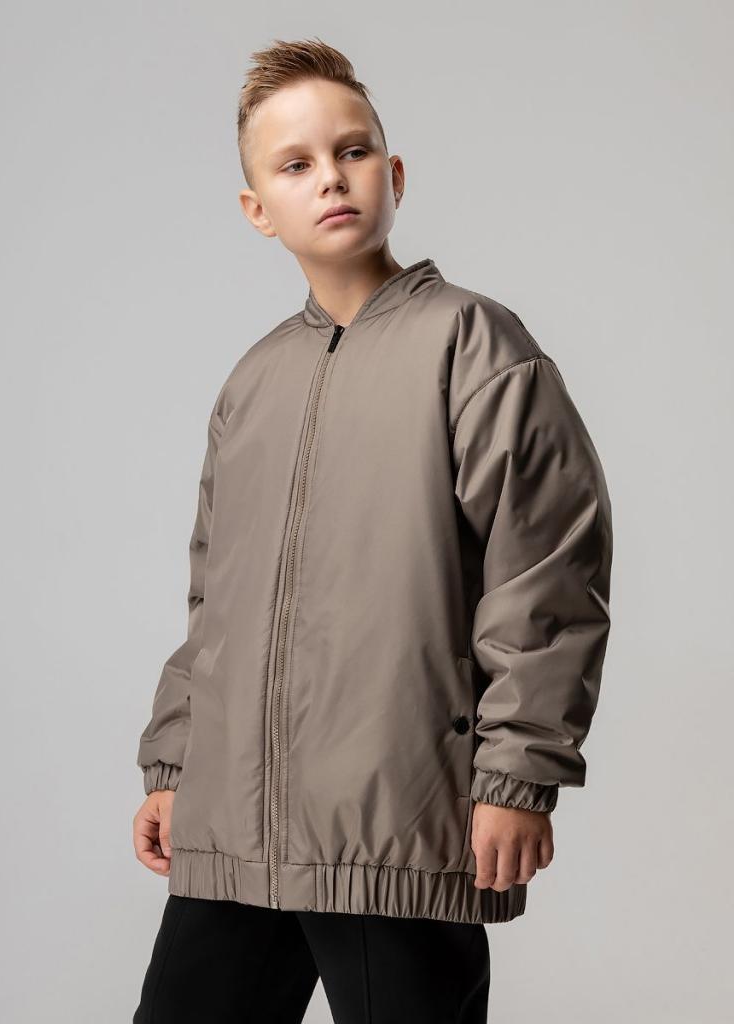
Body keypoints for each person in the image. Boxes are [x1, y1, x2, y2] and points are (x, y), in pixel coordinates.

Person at [131, 36, 613, 1024]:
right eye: (295, 164)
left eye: (352, 151)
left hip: (394, 822)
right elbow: (213, 601)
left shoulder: (476, 347)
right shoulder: (252, 382)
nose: (331, 178)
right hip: (234, 830)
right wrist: (176, 765)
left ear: (392, 175)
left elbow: (547, 575)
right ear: (257, 209)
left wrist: (517, 775)